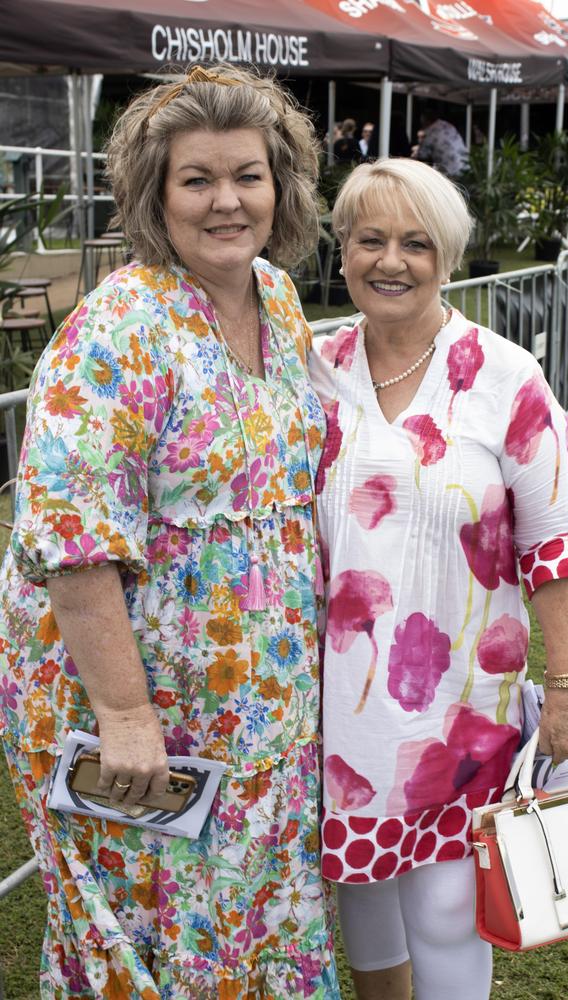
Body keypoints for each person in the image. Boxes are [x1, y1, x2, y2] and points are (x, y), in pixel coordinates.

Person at [0, 63, 340, 999]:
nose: (226, 200)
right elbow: (70, 540)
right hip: (143, 711)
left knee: (252, 909)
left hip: (260, 707)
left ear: (283, 186)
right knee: (162, 931)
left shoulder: (277, 300)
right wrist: (125, 716)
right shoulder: (121, 325)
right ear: (157, 194)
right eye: (198, 179)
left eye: (248, 175)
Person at [309, 158, 568, 1000]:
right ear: (344, 250)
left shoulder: (506, 379)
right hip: (335, 701)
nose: (390, 260)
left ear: (451, 257)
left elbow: (552, 545)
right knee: (360, 893)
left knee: (442, 908)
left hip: (460, 707)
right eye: (370, 240)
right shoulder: (310, 369)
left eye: (416, 243)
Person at [415, 106, 469, 177]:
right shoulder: (446, 125)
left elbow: (422, 156)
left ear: (426, 120)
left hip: (450, 171)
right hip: (465, 165)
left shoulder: (430, 132)